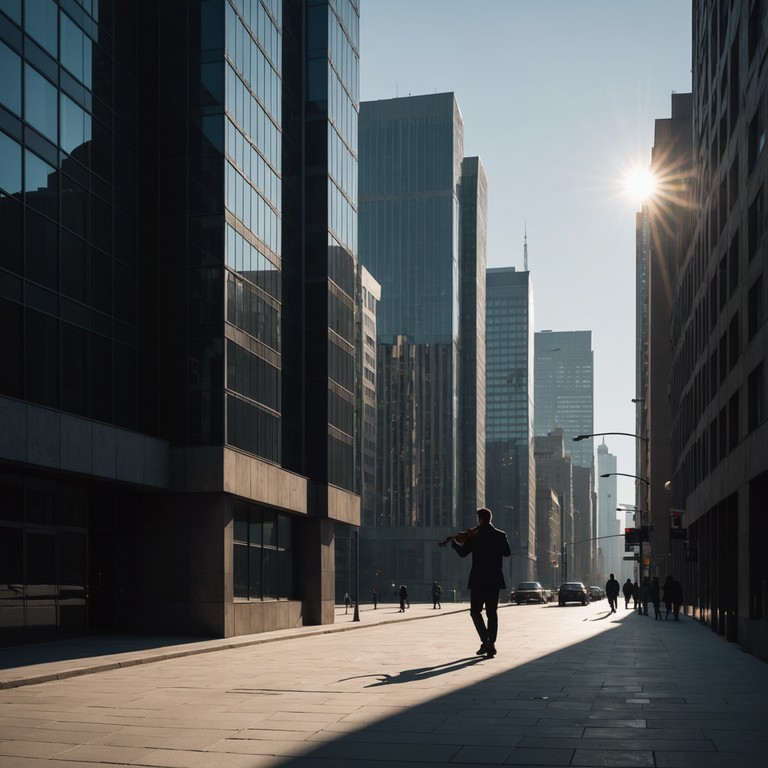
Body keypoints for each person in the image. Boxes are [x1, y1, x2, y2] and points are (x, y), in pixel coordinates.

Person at [450, 507, 511, 657]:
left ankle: (486, 641)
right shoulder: (500, 535)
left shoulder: (474, 536)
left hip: (478, 580)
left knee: (475, 612)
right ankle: (491, 643)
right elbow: (507, 553)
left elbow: (463, 554)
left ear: (481, 519)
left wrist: (454, 545)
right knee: (492, 613)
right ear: (490, 518)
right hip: (495, 580)